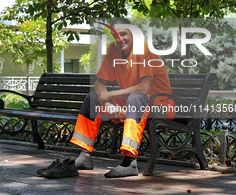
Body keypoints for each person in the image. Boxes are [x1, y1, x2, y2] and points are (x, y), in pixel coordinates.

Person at [70, 18, 175, 178]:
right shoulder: (113, 49)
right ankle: (84, 155)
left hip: (160, 105)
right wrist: (108, 103)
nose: (119, 39)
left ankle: (129, 162)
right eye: (115, 35)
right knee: (92, 98)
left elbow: (145, 88)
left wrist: (110, 95)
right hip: (134, 102)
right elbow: (98, 85)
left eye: (123, 34)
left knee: (136, 97)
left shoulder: (142, 48)